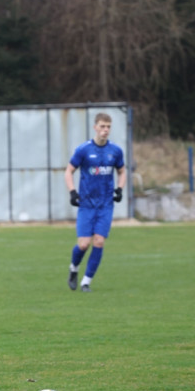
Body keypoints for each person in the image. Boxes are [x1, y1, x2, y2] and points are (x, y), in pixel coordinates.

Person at [65, 113, 127, 292]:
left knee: (99, 241)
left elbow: (122, 171)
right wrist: (73, 193)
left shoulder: (115, 151)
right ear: (95, 127)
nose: (105, 130)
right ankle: (74, 268)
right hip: (86, 204)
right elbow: (68, 171)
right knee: (83, 244)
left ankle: (86, 282)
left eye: (108, 127)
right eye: (102, 126)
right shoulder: (83, 149)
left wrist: (120, 189)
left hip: (105, 204)